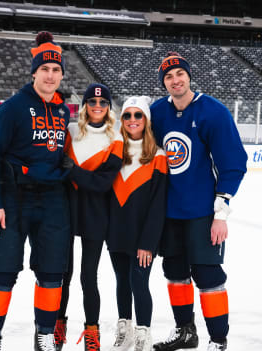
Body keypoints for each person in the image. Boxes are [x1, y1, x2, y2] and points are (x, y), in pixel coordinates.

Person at [0, 31, 71, 351]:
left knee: (51, 271)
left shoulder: (63, 112)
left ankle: (44, 332)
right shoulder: (13, 108)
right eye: (44, 69)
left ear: (61, 74)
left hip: (52, 200)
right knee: (1, 271)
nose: (50, 75)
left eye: (55, 70)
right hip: (13, 198)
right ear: (34, 72)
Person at [150, 52, 247, 351]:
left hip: (203, 213)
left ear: (189, 76)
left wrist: (221, 213)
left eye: (179, 74)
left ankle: (218, 340)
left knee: (207, 274)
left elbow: (233, 163)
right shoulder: (157, 112)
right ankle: (185, 332)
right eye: (168, 76)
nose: (175, 80)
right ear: (164, 82)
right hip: (169, 212)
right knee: (175, 273)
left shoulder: (212, 112)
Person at [56, 83, 123, 351]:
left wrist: (72, 171)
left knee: (88, 277)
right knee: (64, 274)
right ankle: (58, 325)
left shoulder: (116, 138)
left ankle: (92, 331)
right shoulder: (71, 131)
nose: (97, 107)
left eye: (103, 103)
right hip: (67, 211)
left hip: (97, 215)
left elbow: (102, 184)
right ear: (85, 106)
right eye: (92, 103)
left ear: (108, 107)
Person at [106, 96, 167, 351]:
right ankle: (125, 332)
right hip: (116, 233)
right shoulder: (113, 151)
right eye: (127, 115)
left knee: (139, 283)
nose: (132, 120)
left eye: (138, 115)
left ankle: (143, 334)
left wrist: (148, 243)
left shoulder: (158, 156)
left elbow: (158, 205)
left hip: (143, 237)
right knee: (122, 281)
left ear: (146, 120)